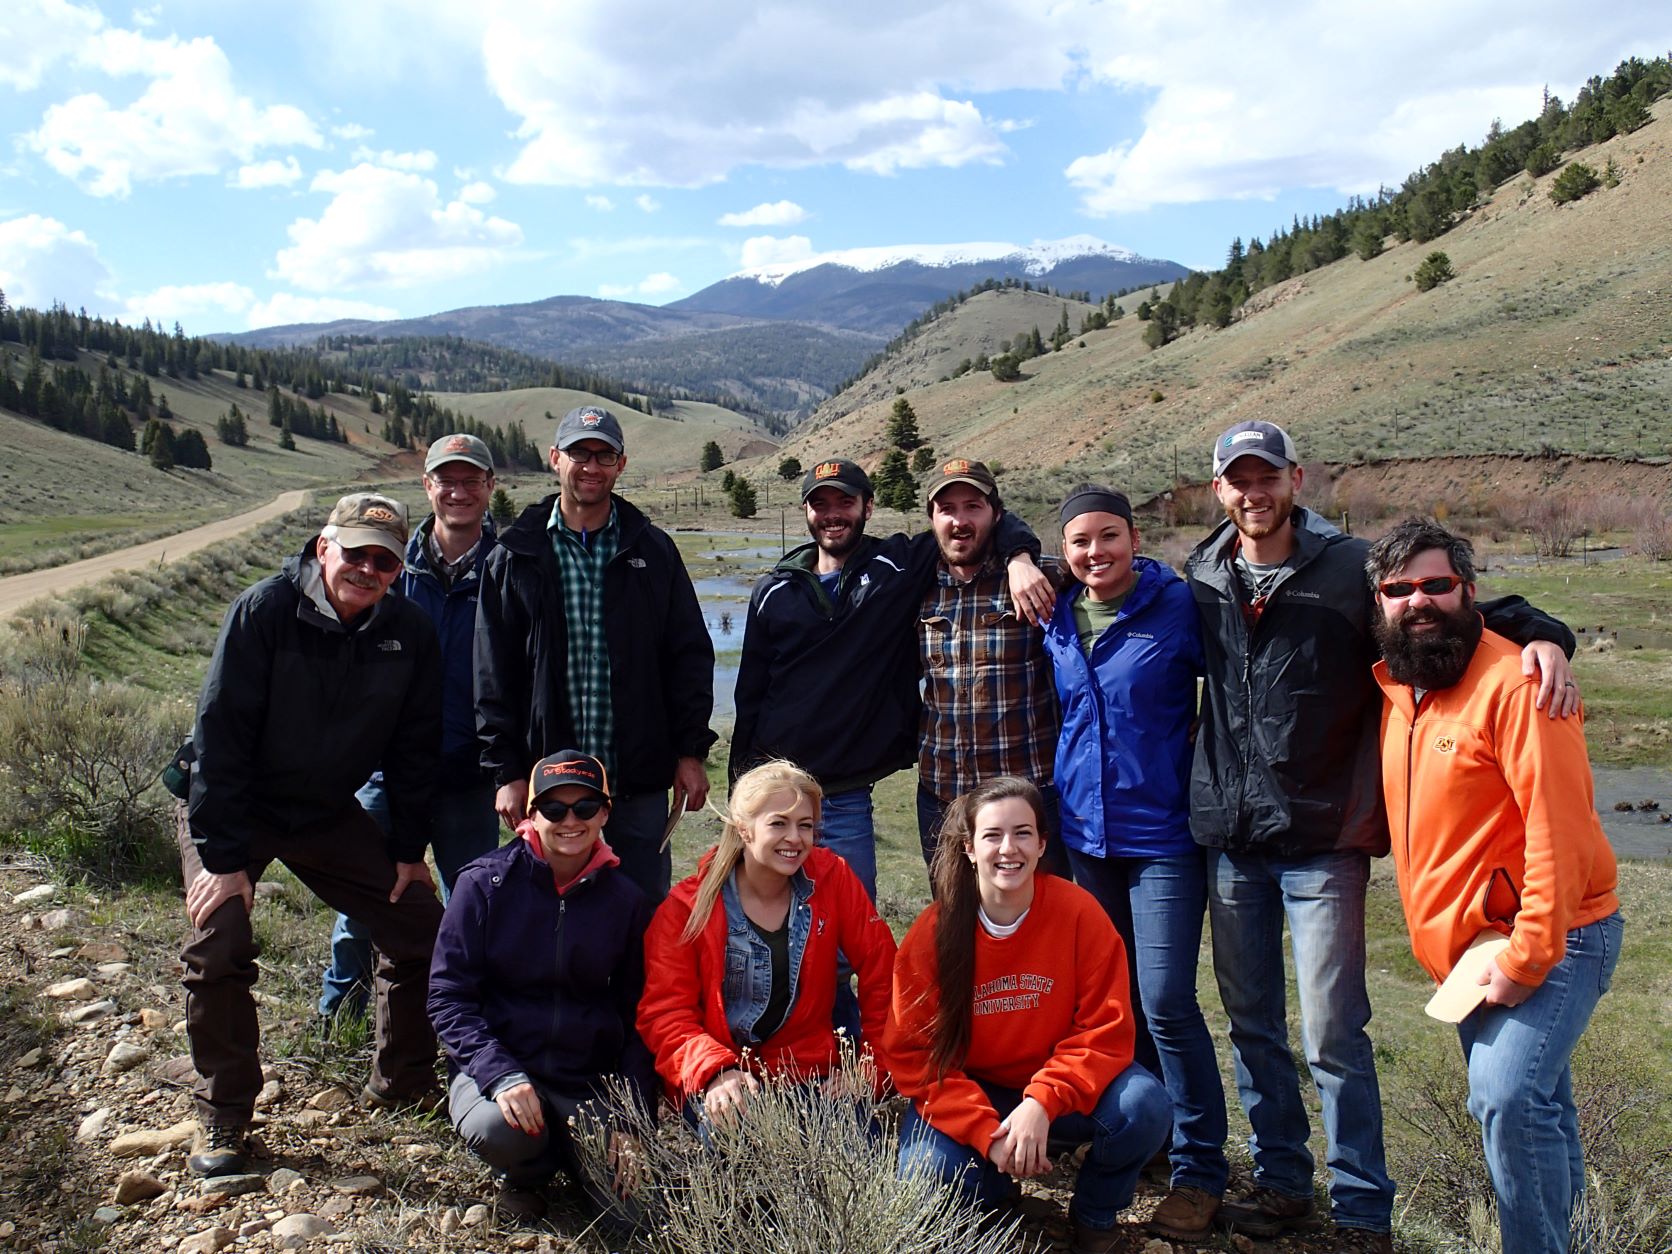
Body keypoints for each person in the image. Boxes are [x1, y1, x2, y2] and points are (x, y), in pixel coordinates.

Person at [1185, 420, 1579, 1250]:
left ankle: (1362, 1208)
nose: (1253, 494)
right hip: (1231, 839)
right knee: (1252, 1022)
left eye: (1267, 478)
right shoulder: (1200, 573)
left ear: (1296, 479)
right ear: (1218, 489)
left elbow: (1442, 610)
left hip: (1324, 838)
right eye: (1237, 480)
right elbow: (1098, 578)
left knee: (1333, 1031)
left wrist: (1544, 632)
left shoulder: (1347, 572)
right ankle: (1285, 1180)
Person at [1366, 518, 1621, 1254]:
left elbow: (1560, 829)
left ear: (1469, 591)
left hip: (1554, 937)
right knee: (1542, 1111)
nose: (1418, 600)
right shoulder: (1399, 684)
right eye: (1399, 589)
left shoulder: (1520, 684)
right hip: (1471, 956)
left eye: (1437, 585)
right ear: (1379, 603)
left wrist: (1527, 955)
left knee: (1506, 1100)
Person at [178, 492, 445, 1177]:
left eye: (384, 561)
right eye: (354, 553)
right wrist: (222, 860)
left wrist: (407, 852)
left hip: (323, 809)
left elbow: (416, 751)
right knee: (219, 940)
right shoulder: (264, 610)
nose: (367, 569)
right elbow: (219, 739)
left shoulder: (409, 633)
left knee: (419, 924)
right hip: (233, 803)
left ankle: (404, 1084)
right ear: (324, 547)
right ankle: (225, 1120)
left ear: (397, 569)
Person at [731, 458, 1051, 904]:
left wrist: (1019, 555)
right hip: (772, 793)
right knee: (762, 918)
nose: (833, 514)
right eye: (820, 504)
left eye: (846, 501)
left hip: (845, 795)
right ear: (805, 511)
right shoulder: (773, 589)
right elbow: (749, 696)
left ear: (868, 506)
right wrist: (737, 788)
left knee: (848, 932)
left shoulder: (897, 566)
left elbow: (974, 521)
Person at [1041, 485, 1228, 1242]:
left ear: (1135, 537)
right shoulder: (1054, 612)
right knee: (1112, 998)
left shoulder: (1180, 607)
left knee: (1167, 1000)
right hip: (1085, 837)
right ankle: (1143, 1137)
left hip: (1164, 839)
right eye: (1080, 542)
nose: (1095, 553)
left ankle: (1201, 1167)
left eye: (1108, 537)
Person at [884, 776, 1171, 1254]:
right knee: (928, 1178)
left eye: (1022, 833)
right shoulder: (933, 934)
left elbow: (1106, 1031)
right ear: (970, 848)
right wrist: (986, 1134)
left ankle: (1095, 1214)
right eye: (992, 835)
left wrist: (1041, 1101)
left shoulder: (1079, 914)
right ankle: (999, 1193)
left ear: (1041, 844)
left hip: (1058, 1094)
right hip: (976, 1092)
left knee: (1145, 1107)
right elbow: (916, 1058)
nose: (1008, 848)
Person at [476, 404, 715, 903]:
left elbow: (688, 655)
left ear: (621, 465)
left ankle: (640, 986)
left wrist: (690, 752)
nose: (591, 465)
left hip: (638, 772)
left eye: (604, 455)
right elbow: (492, 673)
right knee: (549, 903)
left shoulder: (653, 551)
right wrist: (508, 772)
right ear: (554, 458)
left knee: (643, 904)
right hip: (551, 778)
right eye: (578, 453)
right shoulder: (515, 555)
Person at [321, 432, 502, 1022]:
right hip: (385, 768)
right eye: (446, 479)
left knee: (470, 903)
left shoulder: (511, 564)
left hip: (470, 774)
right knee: (362, 898)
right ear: (427, 487)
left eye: (470, 479)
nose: (458, 491)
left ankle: (456, 1021)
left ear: (489, 488)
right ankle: (339, 1011)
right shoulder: (388, 564)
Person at [429, 749, 653, 1224]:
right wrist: (500, 1074)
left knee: (635, 1217)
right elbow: (448, 997)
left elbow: (640, 1014)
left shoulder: (627, 901)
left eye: (585, 808)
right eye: (553, 809)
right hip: (503, 1071)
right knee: (501, 1130)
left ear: (605, 813)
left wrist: (634, 1119)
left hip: (588, 1081)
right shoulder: (482, 885)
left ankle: (574, 1156)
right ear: (530, 815)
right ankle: (530, 1170)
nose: (570, 820)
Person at [636, 760, 897, 1122]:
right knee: (737, 1151)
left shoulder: (831, 878)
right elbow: (665, 1012)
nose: (795, 838)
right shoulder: (685, 909)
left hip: (808, 1070)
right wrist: (714, 1071)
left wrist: (874, 1065)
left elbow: (884, 969)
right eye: (779, 823)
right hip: (723, 1079)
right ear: (744, 829)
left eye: (805, 825)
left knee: (853, 1153)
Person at [915, 458, 1066, 877]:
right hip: (942, 797)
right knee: (954, 925)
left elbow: (1111, 577)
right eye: (947, 509)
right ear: (931, 519)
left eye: (973, 507)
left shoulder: (1042, 579)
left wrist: (1020, 555)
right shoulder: (915, 588)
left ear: (997, 515)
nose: (960, 521)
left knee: (1038, 925)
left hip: (1028, 798)